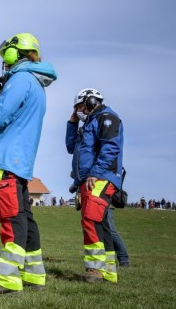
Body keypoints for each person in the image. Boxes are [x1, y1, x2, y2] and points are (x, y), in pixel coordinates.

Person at [0, 33, 57, 294]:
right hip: (21, 161)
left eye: (5, 53)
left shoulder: (20, 80)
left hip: (6, 158)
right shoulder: (36, 83)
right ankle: (34, 276)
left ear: (13, 53)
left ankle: (6, 280)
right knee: (24, 217)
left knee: (11, 217)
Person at [66, 88, 124, 283]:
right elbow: (70, 147)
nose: (79, 111)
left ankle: (95, 270)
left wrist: (94, 172)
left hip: (101, 177)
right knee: (101, 223)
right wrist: (72, 122)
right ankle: (109, 271)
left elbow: (111, 147)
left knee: (90, 219)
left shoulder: (107, 118)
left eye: (81, 106)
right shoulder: (89, 123)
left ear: (91, 101)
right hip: (89, 179)